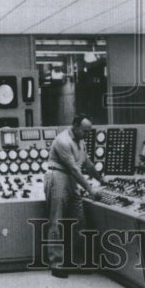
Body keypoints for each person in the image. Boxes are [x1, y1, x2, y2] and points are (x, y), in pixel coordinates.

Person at [43, 115, 104, 278]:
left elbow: (87, 163)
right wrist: (91, 191)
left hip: (71, 180)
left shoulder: (80, 140)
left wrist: (100, 178)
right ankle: (57, 264)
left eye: (89, 132)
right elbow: (74, 169)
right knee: (56, 221)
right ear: (75, 126)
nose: (87, 134)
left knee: (79, 221)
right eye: (85, 131)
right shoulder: (63, 141)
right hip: (58, 177)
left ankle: (77, 261)